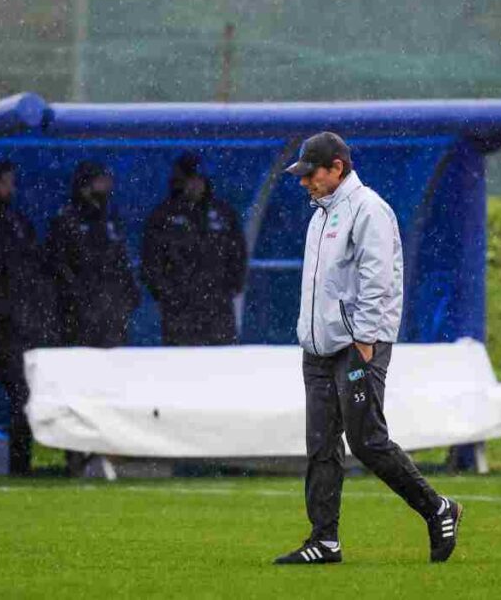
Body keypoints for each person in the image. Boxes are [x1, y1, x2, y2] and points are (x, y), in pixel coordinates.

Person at [274, 132, 463, 565]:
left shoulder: (369, 210)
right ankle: (325, 540)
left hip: (357, 345)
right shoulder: (320, 215)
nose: (305, 182)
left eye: (311, 174)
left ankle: (437, 508)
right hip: (318, 349)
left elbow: (379, 280)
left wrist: (365, 339)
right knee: (321, 445)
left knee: (367, 441)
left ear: (337, 168)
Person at [141, 153, 247, 345]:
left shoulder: (223, 214)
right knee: (181, 365)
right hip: (179, 311)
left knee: (223, 364)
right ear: (179, 182)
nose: (196, 185)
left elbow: (238, 254)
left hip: (218, 308)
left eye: (200, 179)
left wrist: (231, 287)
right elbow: (151, 262)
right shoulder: (163, 217)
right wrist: (168, 294)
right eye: (190, 179)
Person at [0, 161, 51, 476]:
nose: (10, 189)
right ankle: (17, 462)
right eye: (6, 183)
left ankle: (22, 461)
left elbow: (35, 267)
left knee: (25, 391)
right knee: (18, 392)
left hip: (24, 321)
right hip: (2, 323)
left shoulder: (17, 222)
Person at [46, 161, 140, 349]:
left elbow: (121, 259)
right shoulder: (66, 219)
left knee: (116, 360)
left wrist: (129, 291)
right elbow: (58, 263)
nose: (107, 185)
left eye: (107, 180)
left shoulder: (110, 218)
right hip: (81, 314)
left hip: (113, 310)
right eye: (101, 180)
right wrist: (79, 297)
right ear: (85, 185)